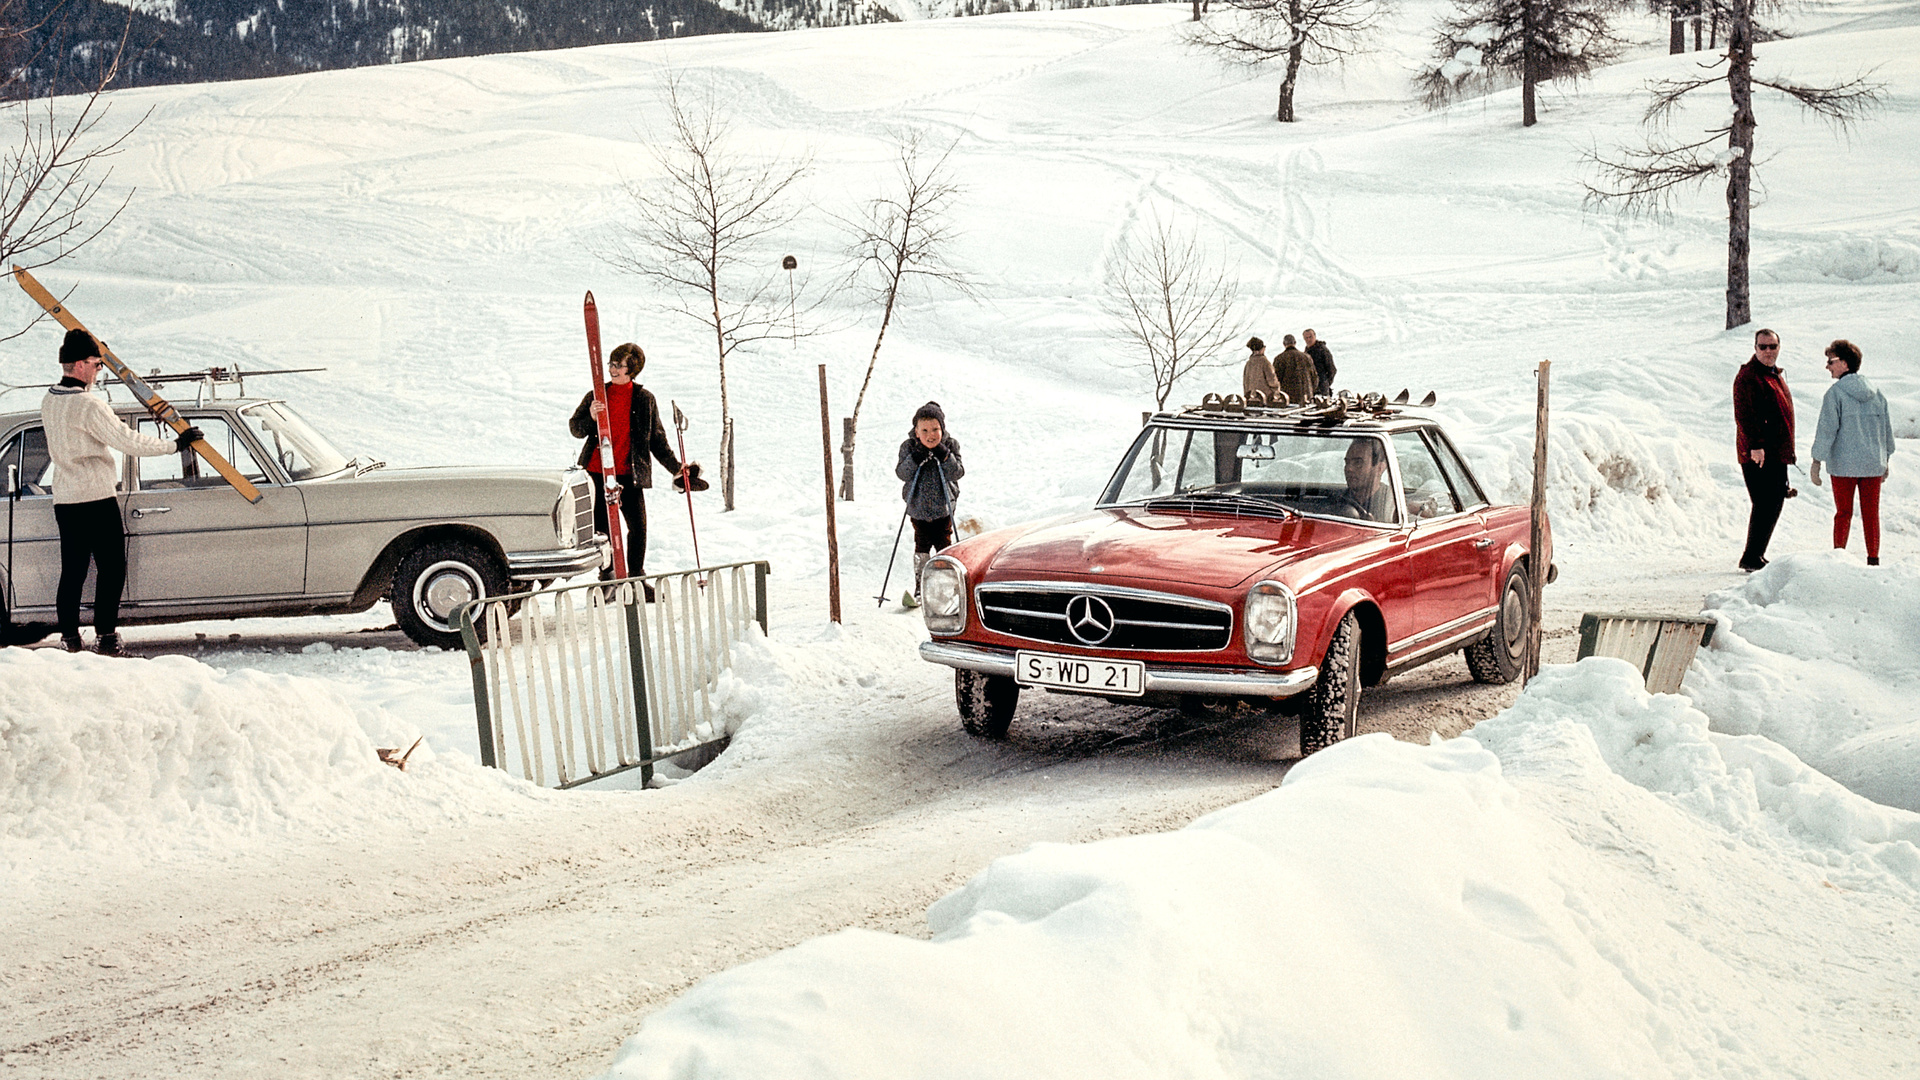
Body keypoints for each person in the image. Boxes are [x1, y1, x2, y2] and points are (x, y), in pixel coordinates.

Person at [41, 328, 201, 655]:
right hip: (96, 498)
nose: (100, 371)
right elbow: (128, 441)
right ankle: (107, 639)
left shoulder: (50, 399)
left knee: (73, 571)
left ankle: (70, 640)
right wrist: (175, 445)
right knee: (112, 569)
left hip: (66, 499)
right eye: (97, 364)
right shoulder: (88, 405)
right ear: (81, 364)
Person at [568, 343, 698, 595]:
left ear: (632, 370)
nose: (613, 369)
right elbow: (576, 428)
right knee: (602, 529)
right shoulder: (596, 394)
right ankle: (608, 579)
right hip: (596, 472)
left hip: (629, 474)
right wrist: (591, 418)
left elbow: (656, 440)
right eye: (611, 364)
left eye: (619, 365)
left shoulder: (644, 399)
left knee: (637, 527)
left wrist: (676, 468)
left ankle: (637, 579)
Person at [1810, 339, 1894, 566]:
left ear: (1845, 364)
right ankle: (1873, 559)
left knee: (1843, 513)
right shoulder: (1877, 394)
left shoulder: (1835, 394)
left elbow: (1827, 429)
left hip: (1843, 466)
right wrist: (1885, 459)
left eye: (1831, 361)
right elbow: (1886, 430)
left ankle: (1839, 557)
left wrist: (1817, 460)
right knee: (1871, 513)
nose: (1827, 366)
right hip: (1872, 465)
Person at [1733, 328, 1795, 572]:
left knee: (1774, 500)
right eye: (1763, 347)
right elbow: (1744, 415)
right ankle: (1751, 556)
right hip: (1759, 452)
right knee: (1765, 502)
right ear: (1755, 348)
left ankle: (1756, 554)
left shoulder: (1773, 375)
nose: (1768, 351)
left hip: (1776, 451)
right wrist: (1755, 446)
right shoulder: (1749, 376)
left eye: (1773, 346)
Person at [896, 401, 964, 601]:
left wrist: (945, 456)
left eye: (935, 429)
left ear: (942, 429)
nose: (930, 435)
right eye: (924, 430)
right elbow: (902, 473)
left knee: (944, 545)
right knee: (922, 545)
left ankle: (948, 585)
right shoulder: (909, 447)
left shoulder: (951, 446)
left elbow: (957, 472)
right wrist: (916, 458)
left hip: (944, 509)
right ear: (916, 431)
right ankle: (921, 585)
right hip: (918, 508)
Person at [1336, 437, 1395, 522]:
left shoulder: (1391, 504)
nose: (1349, 468)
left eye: (1358, 462)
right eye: (1347, 462)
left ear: (1380, 468)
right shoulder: (1338, 501)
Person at [1273, 333, 1317, 405]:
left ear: (1284, 344)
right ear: (1295, 343)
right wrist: (1311, 390)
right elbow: (1314, 377)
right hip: (1306, 395)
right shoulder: (1306, 357)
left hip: (1288, 397)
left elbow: (1276, 379)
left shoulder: (1279, 358)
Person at [1241, 337, 1279, 403]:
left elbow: (1245, 383)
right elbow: (1272, 380)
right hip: (1265, 397)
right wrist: (1276, 389)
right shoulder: (1264, 362)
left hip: (1251, 397)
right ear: (1262, 349)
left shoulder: (1248, 363)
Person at [1303, 328, 1336, 397]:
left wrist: (1325, 383)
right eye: (1306, 338)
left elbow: (1332, 369)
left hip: (1322, 388)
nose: (1308, 339)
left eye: (1310, 337)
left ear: (1315, 336)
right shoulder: (1306, 352)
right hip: (1310, 388)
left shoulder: (1322, 350)